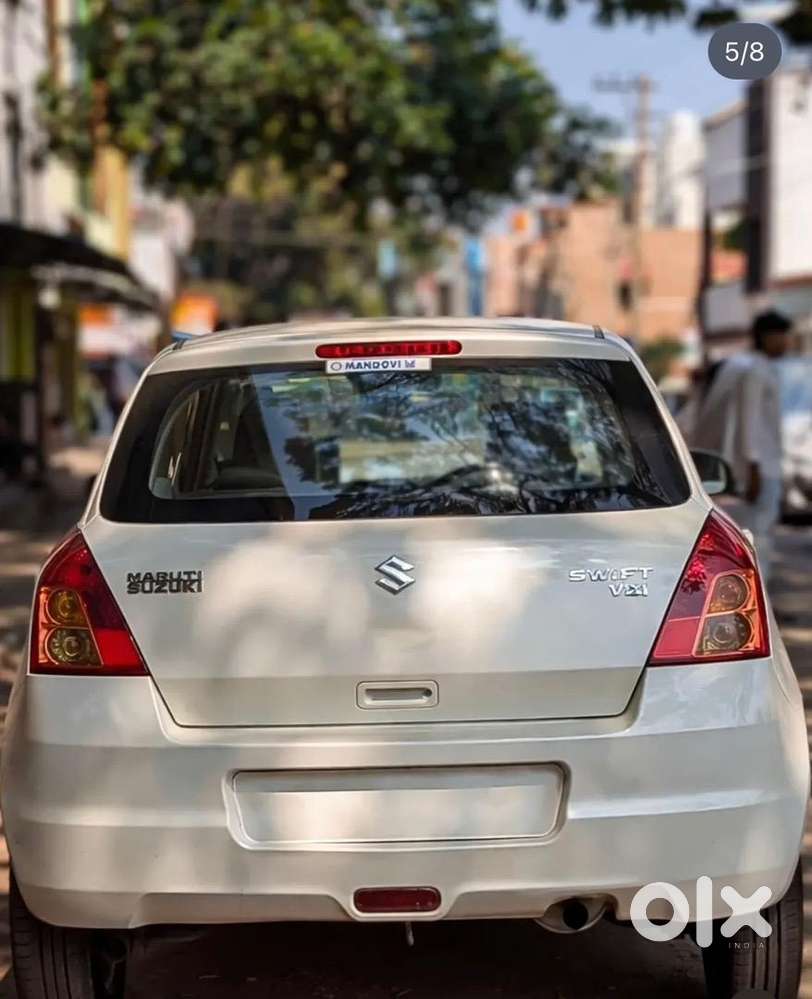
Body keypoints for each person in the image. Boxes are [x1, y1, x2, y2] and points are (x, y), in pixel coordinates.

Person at [692, 309, 792, 582]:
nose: (787, 342)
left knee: (762, 533)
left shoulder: (760, 369)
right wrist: (753, 466)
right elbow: (748, 421)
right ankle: (759, 598)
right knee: (758, 536)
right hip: (760, 467)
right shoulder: (754, 372)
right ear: (767, 337)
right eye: (783, 336)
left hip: (767, 464)